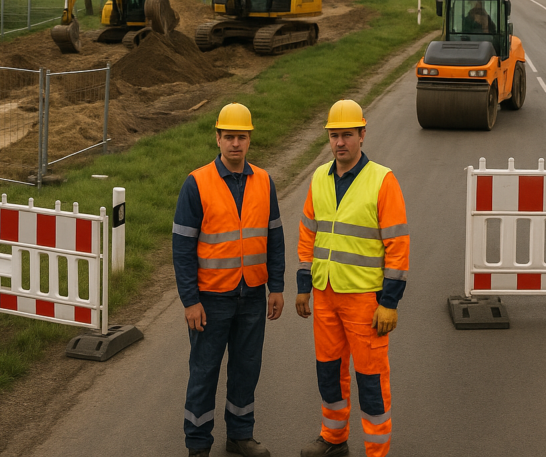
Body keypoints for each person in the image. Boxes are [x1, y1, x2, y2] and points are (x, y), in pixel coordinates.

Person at [296, 100, 410, 457]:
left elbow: (398, 245)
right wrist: (303, 287)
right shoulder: (318, 178)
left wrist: (389, 303)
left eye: (347, 135)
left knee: (371, 380)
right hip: (326, 294)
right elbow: (307, 236)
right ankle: (333, 439)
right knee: (329, 372)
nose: (340, 142)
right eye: (334, 136)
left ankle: (377, 452)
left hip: (365, 300)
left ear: (362, 134)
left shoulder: (382, 180)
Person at [173, 103, 285, 457]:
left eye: (242, 137)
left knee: (246, 369)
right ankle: (198, 445)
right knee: (204, 372)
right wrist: (190, 300)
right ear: (217, 138)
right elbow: (182, 247)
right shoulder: (197, 183)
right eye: (229, 137)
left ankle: (239, 435)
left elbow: (275, 238)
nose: (236, 143)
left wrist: (277, 287)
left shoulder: (264, 181)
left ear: (249, 139)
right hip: (210, 299)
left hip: (252, 295)